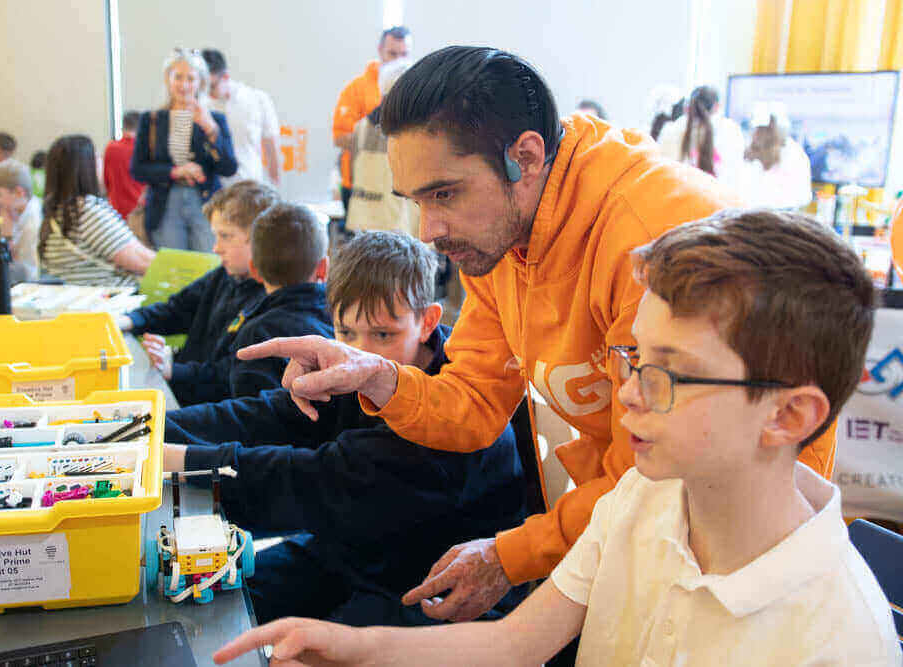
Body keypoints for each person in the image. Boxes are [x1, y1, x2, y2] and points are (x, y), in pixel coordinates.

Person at [238, 46, 838, 626]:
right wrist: (381, 376)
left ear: (524, 157)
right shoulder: (502, 232)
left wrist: (513, 555)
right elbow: (475, 401)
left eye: (444, 194)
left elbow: (652, 480)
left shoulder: (651, 240)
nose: (428, 231)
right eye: (417, 201)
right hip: (634, 526)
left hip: (733, 553)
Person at [216, 210, 901, 667]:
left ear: (788, 416)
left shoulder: (837, 642)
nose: (627, 392)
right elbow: (515, 642)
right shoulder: (642, 493)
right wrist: (348, 645)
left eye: (667, 373)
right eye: (632, 358)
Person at [163, 230, 528, 628]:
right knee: (212, 601)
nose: (360, 352)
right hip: (356, 549)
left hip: (425, 590)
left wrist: (182, 461)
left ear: (427, 322)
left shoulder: (456, 408)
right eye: (347, 332)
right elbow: (268, 415)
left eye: (383, 335)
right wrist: (151, 429)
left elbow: (317, 479)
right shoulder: (354, 367)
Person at [145, 202, 332, 403]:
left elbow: (246, 414)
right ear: (324, 268)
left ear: (255, 271)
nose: (216, 247)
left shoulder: (257, 331)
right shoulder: (338, 318)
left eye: (225, 236)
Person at [118, 180, 278, 407]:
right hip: (185, 393)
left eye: (226, 236)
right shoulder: (224, 275)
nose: (216, 248)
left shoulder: (270, 302)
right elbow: (176, 309)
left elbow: (229, 376)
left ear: (260, 239)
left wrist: (173, 369)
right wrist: (127, 321)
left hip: (207, 408)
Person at [131, 48, 237, 251]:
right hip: (165, 205)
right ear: (167, 79)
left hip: (204, 202)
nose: (184, 85)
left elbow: (229, 167)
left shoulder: (215, 119)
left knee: (210, 265)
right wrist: (175, 171)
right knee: (175, 272)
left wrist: (210, 128)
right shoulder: (151, 120)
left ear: (201, 82)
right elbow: (137, 169)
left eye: (190, 79)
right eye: (178, 77)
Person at [39, 134, 155, 288]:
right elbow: (141, 260)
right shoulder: (87, 211)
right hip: (113, 302)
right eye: (98, 158)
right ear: (87, 166)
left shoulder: (57, 212)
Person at [333, 25, 412, 212]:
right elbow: (340, 137)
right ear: (380, 51)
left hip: (402, 187)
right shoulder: (356, 89)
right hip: (361, 186)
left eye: (404, 55)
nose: (398, 61)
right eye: (392, 54)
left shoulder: (416, 92)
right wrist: (372, 131)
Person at [344, 58, 418, 237]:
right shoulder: (410, 130)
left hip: (364, 224)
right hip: (398, 227)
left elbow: (351, 173)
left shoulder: (361, 126)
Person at [201, 48, 281, 187]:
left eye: (211, 86)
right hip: (213, 191)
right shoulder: (200, 106)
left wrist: (275, 183)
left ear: (225, 77)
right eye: (202, 86)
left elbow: (271, 145)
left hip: (250, 185)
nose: (207, 92)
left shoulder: (257, 99)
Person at [657, 85, 745, 190]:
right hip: (718, 201)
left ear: (688, 107)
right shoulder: (731, 131)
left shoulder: (673, 129)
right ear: (717, 106)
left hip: (678, 198)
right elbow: (735, 178)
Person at [736, 102, 812, 209]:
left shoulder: (792, 155)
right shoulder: (750, 155)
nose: (759, 134)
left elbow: (802, 196)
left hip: (773, 216)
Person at [0, 159, 42, 282]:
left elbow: (28, 275)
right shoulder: (13, 215)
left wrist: (7, 236)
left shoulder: (33, 223)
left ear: (19, 193)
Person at [103, 111, 144, 218]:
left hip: (116, 212)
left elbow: (107, 182)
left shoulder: (110, 148)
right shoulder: (144, 150)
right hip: (140, 212)